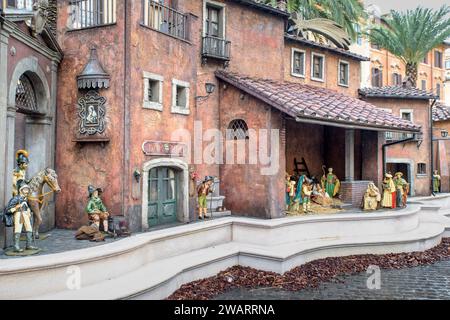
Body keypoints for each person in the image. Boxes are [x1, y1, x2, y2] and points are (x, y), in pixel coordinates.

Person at [4, 182, 38, 252]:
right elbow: (8, 210)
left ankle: (28, 245)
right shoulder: (15, 199)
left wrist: (28, 209)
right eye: (25, 189)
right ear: (21, 190)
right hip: (18, 215)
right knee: (18, 230)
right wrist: (16, 207)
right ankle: (16, 246)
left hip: (26, 215)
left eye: (27, 189)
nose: (27, 191)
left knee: (29, 229)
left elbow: (27, 206)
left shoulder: (25, 198)